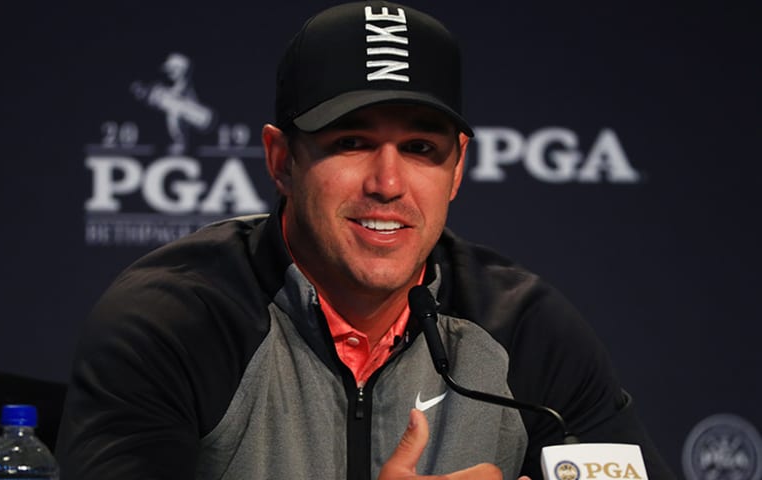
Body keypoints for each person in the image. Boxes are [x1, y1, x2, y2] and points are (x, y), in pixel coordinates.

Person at [55, 2, 674, 479]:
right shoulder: (176, 321)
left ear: (458, 169)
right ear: (280, 160)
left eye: (420, 149)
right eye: (350, 142)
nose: (387, 183)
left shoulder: (526, 331)